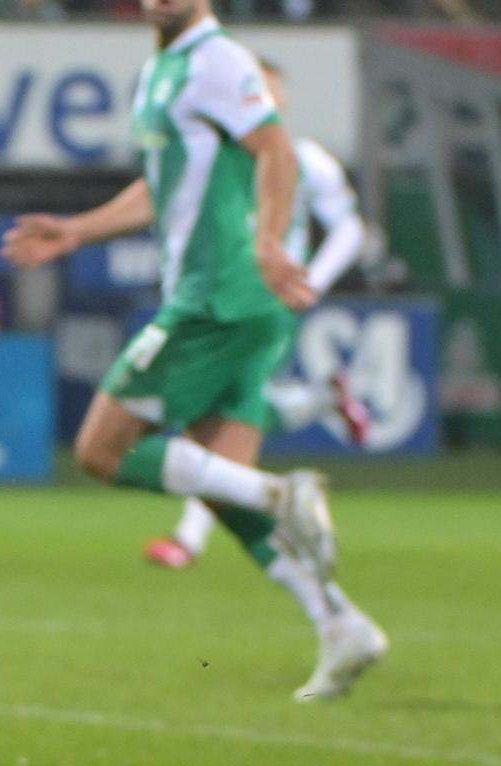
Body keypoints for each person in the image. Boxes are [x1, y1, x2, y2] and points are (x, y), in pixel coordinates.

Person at [1, 0, 386, 702]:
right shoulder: (163, 69)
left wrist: (269, 242)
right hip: (241, 306)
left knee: (101, 450)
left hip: (216, 297)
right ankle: (340, 623)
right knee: (215, 485)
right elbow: (164, 184)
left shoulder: (218, 60)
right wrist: (79, 230)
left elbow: (274, 149)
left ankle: (283, 491)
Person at [144, 56, 372, 571]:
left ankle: (192, 538)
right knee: (231, 416)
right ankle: (319, 403)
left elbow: (350, 229)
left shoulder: (305, 159)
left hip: (262, 303)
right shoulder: (214, 162)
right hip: (217, 300)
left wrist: (311, 280)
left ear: (282, 102)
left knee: (208, 418)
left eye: (267, 93)